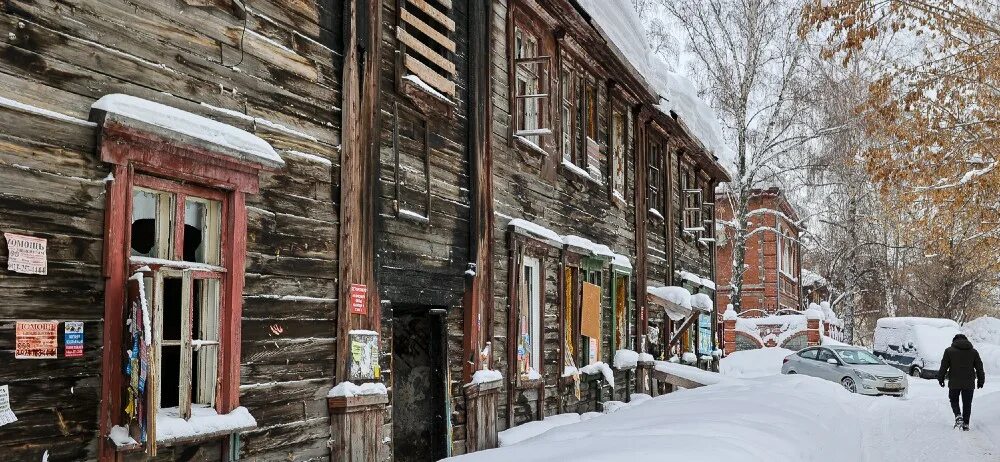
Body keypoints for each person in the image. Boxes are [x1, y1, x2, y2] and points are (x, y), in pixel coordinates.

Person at [938, 333, 985, 431]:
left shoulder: (949, 351)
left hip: (954, 382)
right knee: (967, 403)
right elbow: (979, 368)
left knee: (954, 399)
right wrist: (981, 380)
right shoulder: (974, 352)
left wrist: (941, 378)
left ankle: (958, 416)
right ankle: (966, 424)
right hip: (969, 383)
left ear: (954, 341)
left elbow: (943, 367)